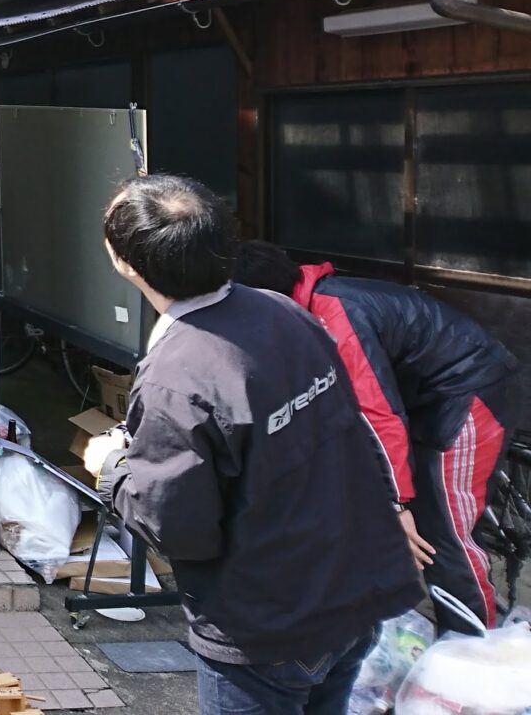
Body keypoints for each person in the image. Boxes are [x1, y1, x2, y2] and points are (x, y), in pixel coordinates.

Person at [94, 175, 420, 715]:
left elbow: (177, 527)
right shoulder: (285, 312)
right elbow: (350, 434)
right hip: (352, 591)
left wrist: (113, 467)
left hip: (269, 623)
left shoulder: (177, 376)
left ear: (126, 263)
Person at [232, 240, 519, 630]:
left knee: (443, 535)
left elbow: (376, 413)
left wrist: (397, 504)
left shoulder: (335, 316)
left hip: (466, 392)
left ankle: (469, 658)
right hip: (418, 399)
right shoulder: (304, 307)